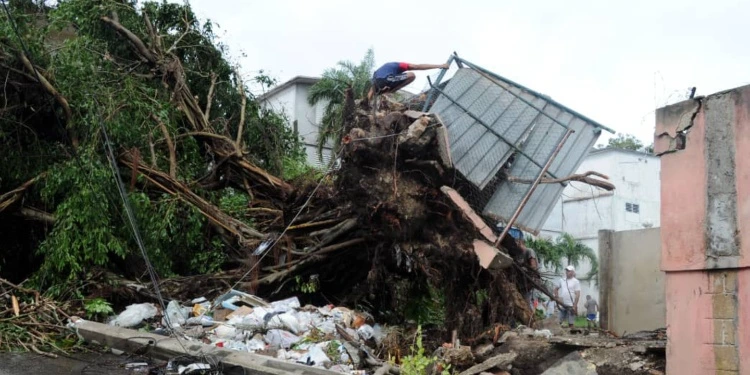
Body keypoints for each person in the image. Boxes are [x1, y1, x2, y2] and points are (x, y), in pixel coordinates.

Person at [367, 62, 448, 101]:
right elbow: (417, 66)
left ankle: (368, 103)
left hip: (376, 83)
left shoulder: (382, 70)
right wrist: (440, 66)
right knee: (412, 75)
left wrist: (367, 100)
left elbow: (372, 88)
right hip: (387, 80)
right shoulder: (399, 65)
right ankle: (393, 90)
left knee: (374, 92)